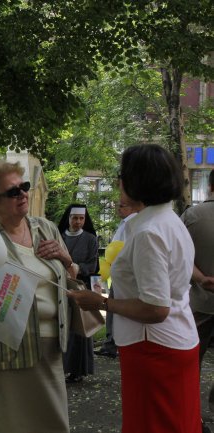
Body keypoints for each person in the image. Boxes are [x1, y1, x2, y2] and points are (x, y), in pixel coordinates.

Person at [70, 144, 200, 433]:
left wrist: (101, 302)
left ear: (136, 180)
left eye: (122, 174)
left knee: (153, 424)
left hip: (153, 348)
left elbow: (155, 308)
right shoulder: (168, 220)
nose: (119, 181)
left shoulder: (148, 232)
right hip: (176, 339)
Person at [0, 159, 74, 433]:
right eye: (13, 191)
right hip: (6, 357)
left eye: (23, 186)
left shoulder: (46, 229)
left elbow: (73, 275)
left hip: (50, 351)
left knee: (52, 425)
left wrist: (65, 257)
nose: (23, 194)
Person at [181, 169, 214, 417]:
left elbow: (180, 255)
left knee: (191, 361)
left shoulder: (192, 215)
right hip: (199, 302)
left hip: (200, 302)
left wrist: (201, 278)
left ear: (210, 187)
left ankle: (191, 415)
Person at [57, 204, 99, 383]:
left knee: (79, 329)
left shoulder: (90, 239)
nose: (78, 222)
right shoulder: (58, 237)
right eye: (75, 218)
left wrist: (75, 267)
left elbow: (93, 265)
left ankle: (77, 370)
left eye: (81, 218)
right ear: (68, 218)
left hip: (80, 286)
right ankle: (58, 368)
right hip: (59, 285)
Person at [95, 199, 139, 358]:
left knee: (113, 306)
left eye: (122, 206)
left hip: (124, 273)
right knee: (112, 307)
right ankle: (111, 342)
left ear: (132, 206)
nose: (118, 209)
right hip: (117, 271)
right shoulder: (125, 223)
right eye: (117, 205)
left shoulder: (132, 223)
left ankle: (112, 343)